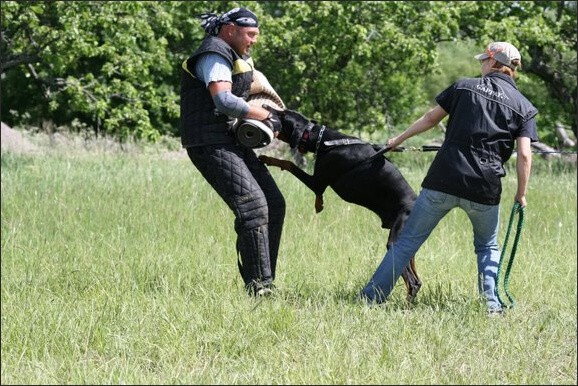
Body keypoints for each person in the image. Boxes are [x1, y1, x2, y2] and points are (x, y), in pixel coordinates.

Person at [360, 42, 538, 315]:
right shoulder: (524, 107)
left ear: (492, 63)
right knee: (487, 246)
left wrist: (398, 139)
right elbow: (524, 155)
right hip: (484, 189)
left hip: (443, 179)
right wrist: (521, 194)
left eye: (483, 61)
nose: (481, 65)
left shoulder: (464, 86)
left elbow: (431, 119)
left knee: (407, 241)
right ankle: (492, 307)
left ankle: (371, 298)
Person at [180, 7, 286, 297]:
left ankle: (266, 280)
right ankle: (259, 289)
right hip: (209, 143)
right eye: (250, 34)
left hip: (228, 141)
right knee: (252, 208)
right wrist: (262, 115)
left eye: (256, 35)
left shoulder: (238, 57)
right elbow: (224, 101)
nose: (253, 40)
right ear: (230, 30)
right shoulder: (214, 53)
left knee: (274, 204)